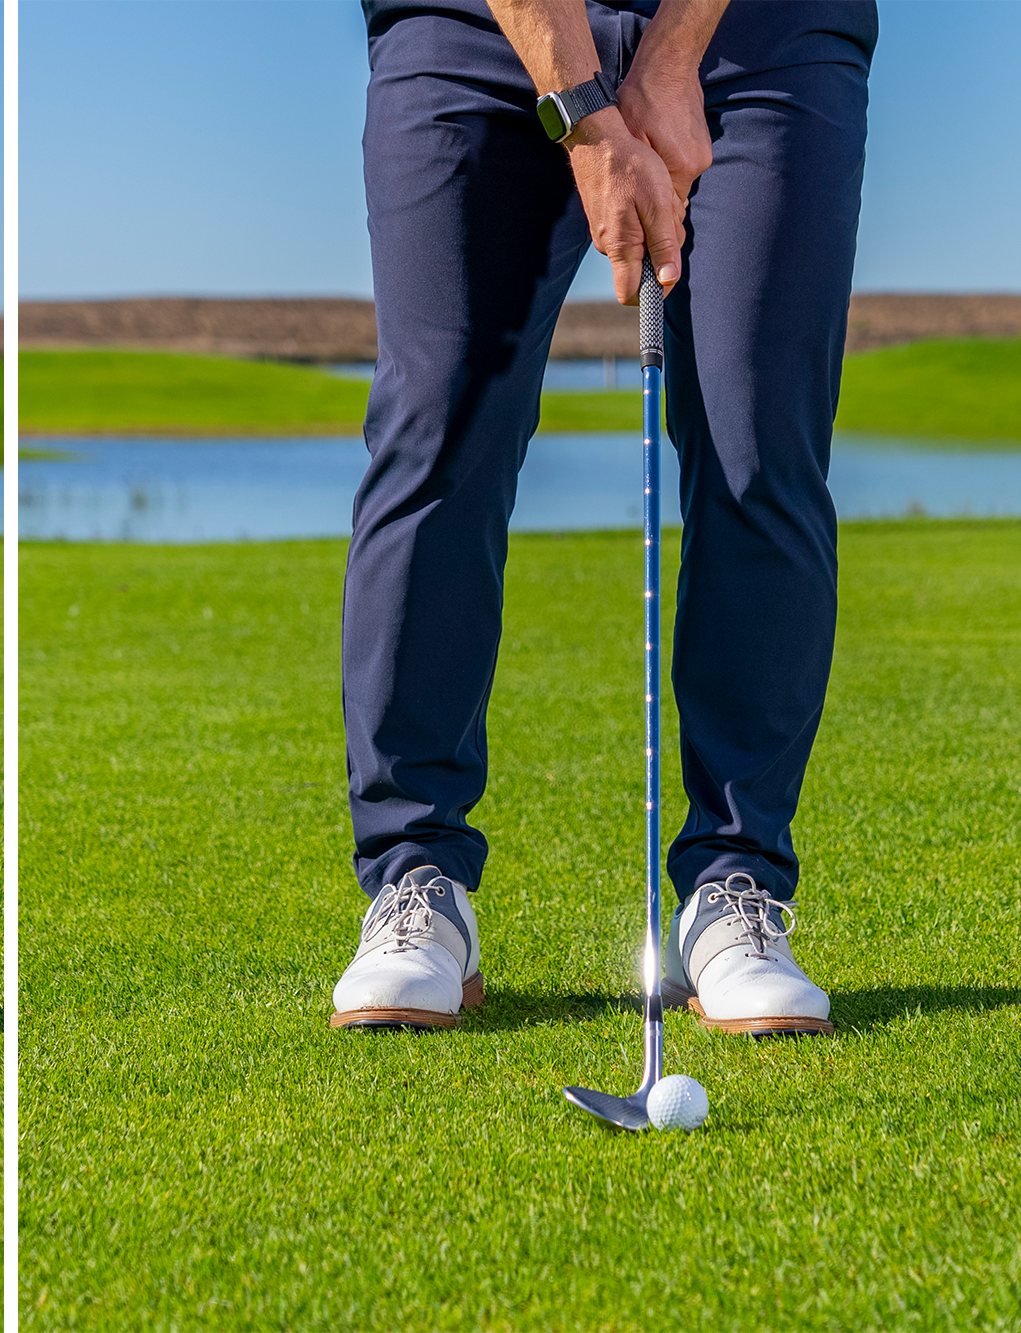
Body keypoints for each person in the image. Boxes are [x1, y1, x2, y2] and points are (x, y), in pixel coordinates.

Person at [331, 0, 873, 1035]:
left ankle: (733, 885)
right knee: (437, 427)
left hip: (760, 32)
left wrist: (670, 56)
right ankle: (415, 879)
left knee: (759, 442)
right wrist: (583, 110)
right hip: (476, 30)